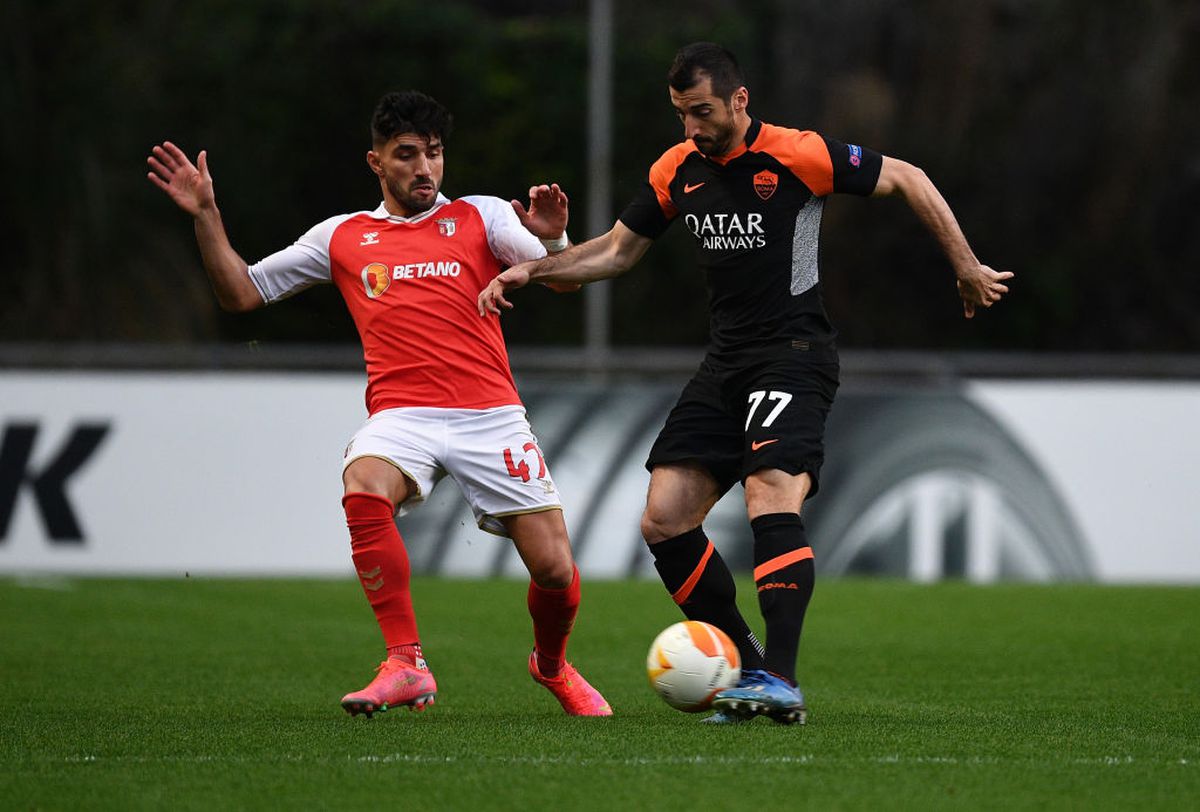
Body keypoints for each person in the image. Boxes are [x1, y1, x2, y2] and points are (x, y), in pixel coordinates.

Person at [478, 43, 1012, 725]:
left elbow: (908, 177)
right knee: (664, 519)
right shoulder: (678, 168)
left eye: (701, 111)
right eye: (679, 114)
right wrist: (538, 268)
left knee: (770, 496)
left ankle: (782, 681)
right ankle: (750, 668)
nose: (691, 128)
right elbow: (615, 250)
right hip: (725, 363)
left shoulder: (798, 154)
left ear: (739, 100)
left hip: (794, 354)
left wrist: (965, 265)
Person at [147, 90, 611, 719]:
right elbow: (241, 294)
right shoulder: (342, 236)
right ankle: (404, 663)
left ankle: (551, 666)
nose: (425, 168)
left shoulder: (482, 217)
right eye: (408, 155)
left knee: (555, 570)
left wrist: (553, 242)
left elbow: (560, 278)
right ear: (377, 163)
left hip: (490, 413)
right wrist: (206, 213)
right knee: (362, 481)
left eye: (435, 154)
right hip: (402, 417)